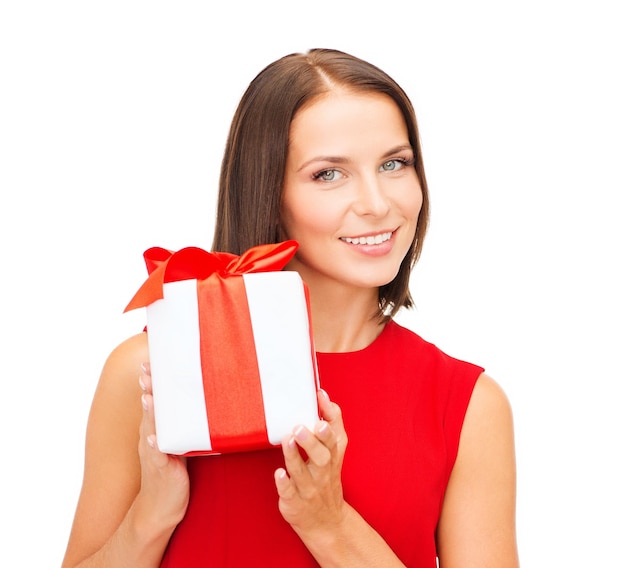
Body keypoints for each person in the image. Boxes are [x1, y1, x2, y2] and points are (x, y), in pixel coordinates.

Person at [61, 48, 519, 567]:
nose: (376, 202)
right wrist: (153, 512)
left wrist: (331, 524)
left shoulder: (468, 406)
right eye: (329, 174)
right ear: (267, 191)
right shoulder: (148, 373)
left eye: (395, 163)